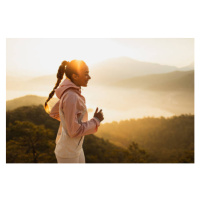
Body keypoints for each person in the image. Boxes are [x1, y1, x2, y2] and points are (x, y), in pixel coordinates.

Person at [44, 60, 104, 163]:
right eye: (86, 74)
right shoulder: (71, 96)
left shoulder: (70, 93)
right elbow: (74, 131)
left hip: (75, 147)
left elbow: (55, 113)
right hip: (68, 152)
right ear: (75, 76)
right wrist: (96, 120)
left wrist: (69, 120)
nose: (89, 77)